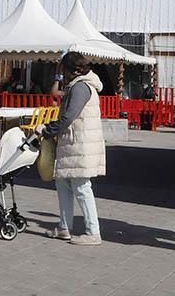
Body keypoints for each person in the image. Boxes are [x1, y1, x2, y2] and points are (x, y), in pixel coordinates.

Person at [39, 51, 105, 246]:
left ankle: (93, 231)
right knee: (63, 184)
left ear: (70, 69)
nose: (62, 73)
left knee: (82, 187)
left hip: (79, 144)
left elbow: (68, 117)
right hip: (73, 143)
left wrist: (48, 130)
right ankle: (64, 226)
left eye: (63, 70)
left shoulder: (81, 87)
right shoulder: (79, 85)